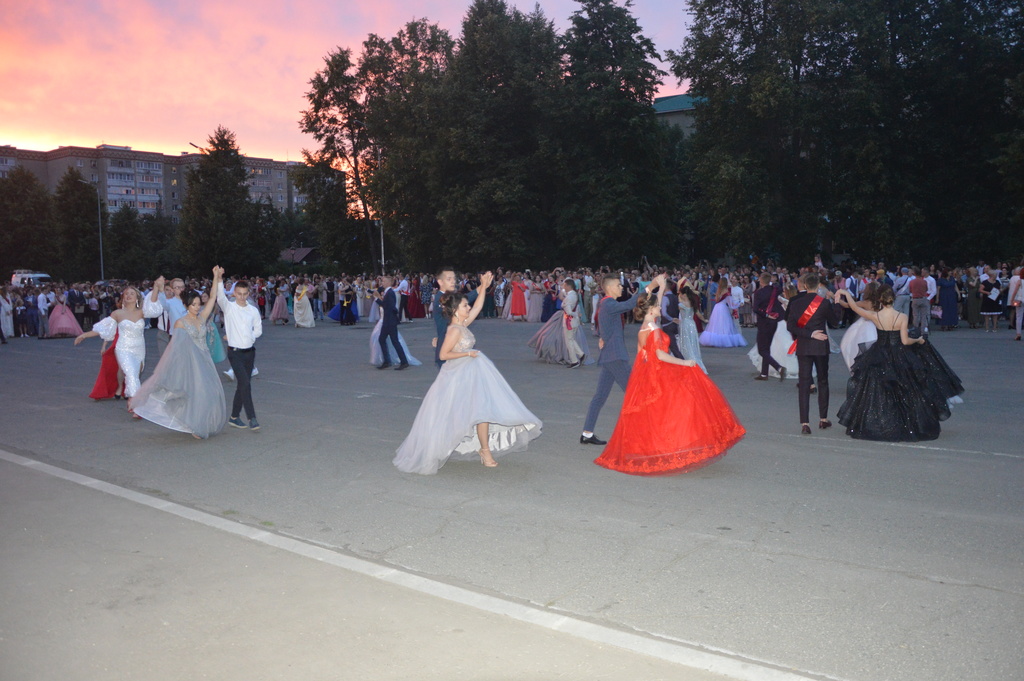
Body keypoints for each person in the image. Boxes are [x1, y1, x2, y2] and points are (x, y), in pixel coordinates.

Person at [394, 272, 542, 474]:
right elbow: (444, 354)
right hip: (457, 376)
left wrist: (483, 286)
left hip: (473, 372)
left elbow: (479, 306)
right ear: (455, 310)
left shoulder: (462, 324)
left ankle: (485, 450)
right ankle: (439, 447)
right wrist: (467, 353)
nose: (469, 308)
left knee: (483, 410)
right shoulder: (454, 329)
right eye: (465, 306)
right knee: (451, 414)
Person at [593, 289, 745, 475]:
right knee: (680, 408)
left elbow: (642, 353)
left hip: (648, 374)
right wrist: (685, 362)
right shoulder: (654, 330)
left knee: (657, 415)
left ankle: (657, 449)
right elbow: (660, 355)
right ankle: (673, 449)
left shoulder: (644, 328)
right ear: (650, 310)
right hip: (659, 374)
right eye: (657, 306)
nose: (659, 308)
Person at [836, 286, 964, 441]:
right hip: (899, 354)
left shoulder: (875, 315)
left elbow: (855, 307)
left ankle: (880, 423)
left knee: (876, 390)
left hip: (879, 353)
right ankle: (906, 423)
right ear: (893, 299)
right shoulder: (902, 316)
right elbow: (905, 340)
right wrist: (918, 340)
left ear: (880, 300)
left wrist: (845, 293)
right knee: (906, 390)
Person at [130, 269, 228, 439]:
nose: (197, 308)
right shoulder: (180, 323)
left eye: (198, 304)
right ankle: (196, 425)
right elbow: (175, 348)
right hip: (189, 362)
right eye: (193, 305)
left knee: (209, 392)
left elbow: (212, 298)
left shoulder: (202, 317)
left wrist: (216, 277)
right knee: (195, 393)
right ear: (186, 305)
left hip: (204, 361)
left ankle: (202, 422)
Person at [580, 273, 665, 446]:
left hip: (610, 356)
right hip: (615, 357)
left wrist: (603, 337)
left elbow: (606, 326)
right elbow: (629, 304)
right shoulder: (609, 303)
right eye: (619, 285)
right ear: (610, 288)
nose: (622, 287)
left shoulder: (606, 305)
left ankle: (587, 433)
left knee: (600, 397)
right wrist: (650, 286)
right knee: (637, 393)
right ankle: (645, 434)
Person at [75, 287, 153, 404]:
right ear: (123, 298)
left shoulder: (142, 312)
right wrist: (84, 335)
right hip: (123, 347)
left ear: (137, 298)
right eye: (126, 294)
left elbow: (156, 308)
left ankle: (129, 394)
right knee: (131, 373)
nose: (129, 295)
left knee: (135, 374)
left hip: (139, 348)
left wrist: (156, 289)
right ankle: (135, 403)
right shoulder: (117, 313)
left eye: (132, 293)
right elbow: (103, 329)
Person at [787, 272, 841, 435]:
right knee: (823, 381)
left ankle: (805, 423)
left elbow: (791, 326)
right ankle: (823, 419)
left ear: (804, 286)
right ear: (818, 286)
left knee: (804, 384)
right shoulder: (823, 303)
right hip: (820, 347)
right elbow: (835, 322)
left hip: (803, 346)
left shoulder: (795, 303)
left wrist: (808, 334)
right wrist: (837, 303)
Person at [215, 270, 263, 431]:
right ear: (234, 293)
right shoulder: (229, 308)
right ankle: (252, 418)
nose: (242, 297)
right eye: (239, 293)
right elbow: (220, 297)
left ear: (248, 293)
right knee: (245, 383)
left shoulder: (253, 310)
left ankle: (234, 417)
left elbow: (258, 330)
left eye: (244, 294)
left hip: (249, 352)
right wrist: (219, 279)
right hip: (234, 352)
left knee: (242, 385)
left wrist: (247, 336)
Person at [527, 279, 593, 367]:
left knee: (568, 341)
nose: (563, 287)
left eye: (565, 285)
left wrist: (575, 314)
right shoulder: (573, 294)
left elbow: (569, 311)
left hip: (569, 321)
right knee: (571, 339)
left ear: (568, 286)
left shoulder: (569, 297)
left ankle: (574, 361)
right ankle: (581, 354)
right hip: (574, 321)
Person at [837, 281, 881, 371]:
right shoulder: (881, 303)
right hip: (878, 325)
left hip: (865, 326)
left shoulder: (865, 303)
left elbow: (847, 305)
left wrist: (837, 299)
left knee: (852, 345)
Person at [751, 272, 786, 380]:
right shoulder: (775, 290)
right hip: (774, 321)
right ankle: (764, 373)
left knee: (762, 349)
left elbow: (756, 309)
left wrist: (766, 314)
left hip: (764, 322)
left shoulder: (759, 293)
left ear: (761, 281)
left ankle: (778, 367)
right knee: (767, 348)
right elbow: (780, 288)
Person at [144, 277, 188, 356]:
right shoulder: (170, 302)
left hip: (188, 335)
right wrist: (161, 290)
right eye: (177, 287)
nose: (180, 289)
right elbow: (163, 303)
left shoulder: (189, 301)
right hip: (174, 335)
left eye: (182, 287)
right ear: (173, 289)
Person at [699, 274, 746, 347]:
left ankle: (714, 340)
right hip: (723, 308)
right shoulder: (726, 292)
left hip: (717, 308)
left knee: (716, 324)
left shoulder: (718, 290)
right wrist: (739, 304)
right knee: (724, 324)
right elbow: (731, 304)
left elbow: (716, 299)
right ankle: (724, 339)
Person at [373, 275, 409, 370]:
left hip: (389, 321)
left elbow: (388, 306)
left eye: (384, 281)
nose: (382, 283)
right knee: (383, 339)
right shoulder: (388, 292)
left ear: (389, 282)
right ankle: (388, 360)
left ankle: (402, 361)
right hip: (388, 320)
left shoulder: (390, 293)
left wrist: (377, 299)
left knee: (394, 341)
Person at [676, 282, 707, 373]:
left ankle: (687, 359)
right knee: (692, 342)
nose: (680, 295)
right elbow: (698, 314)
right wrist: (704, 320)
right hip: (692, 324)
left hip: (685, 324)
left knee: (686, 343)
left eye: (681, 294)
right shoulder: (692, 302)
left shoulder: (681, 305)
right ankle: (695, 360)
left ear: (684, 294)